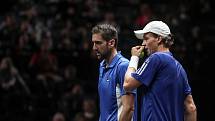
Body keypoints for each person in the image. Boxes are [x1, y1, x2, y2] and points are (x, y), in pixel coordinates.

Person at [122, 20, 197, 121]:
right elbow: (191, 108)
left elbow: (127, 85)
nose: (143, 44)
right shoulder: (180, 68)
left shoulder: (156, 58)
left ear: (158, 38)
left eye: (146, 39)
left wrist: (134, 58)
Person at [91, 23, 135, 121]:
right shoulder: (102, 65)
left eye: (98, 43)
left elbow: (129, 108)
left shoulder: (123, 66)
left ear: (111, 43)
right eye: (93, 43)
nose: (94, 48)